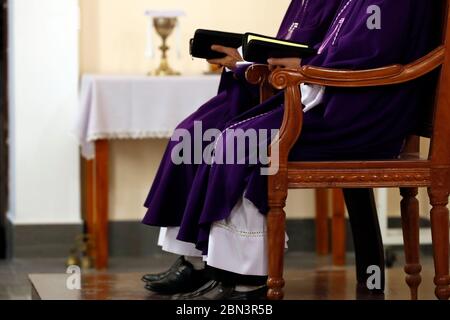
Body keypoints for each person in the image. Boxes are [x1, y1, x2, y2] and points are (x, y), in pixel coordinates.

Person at [142, 0, 434, 300]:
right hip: (334, 101)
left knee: (240, 143)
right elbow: (329, 47)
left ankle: (245, 278)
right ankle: (221, 268)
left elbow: (373, 54)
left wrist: (305, 68)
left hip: (364, 115)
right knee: (207, 137)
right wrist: (255, 62)